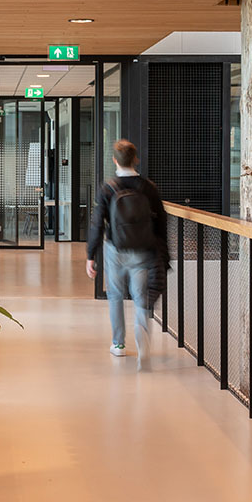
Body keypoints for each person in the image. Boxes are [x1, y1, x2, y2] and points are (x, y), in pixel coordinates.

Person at [85, 139, 168, 371]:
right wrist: (163, 251)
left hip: (115, 249)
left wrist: (91, 254)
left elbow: (96, 224)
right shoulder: (148, 187)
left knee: (115, 295)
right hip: (142, 250)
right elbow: (161, 221)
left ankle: (118, 344)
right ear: (136, 159)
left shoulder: (108, 188)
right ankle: (143, 346)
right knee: (141, 296)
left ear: (115, 160)